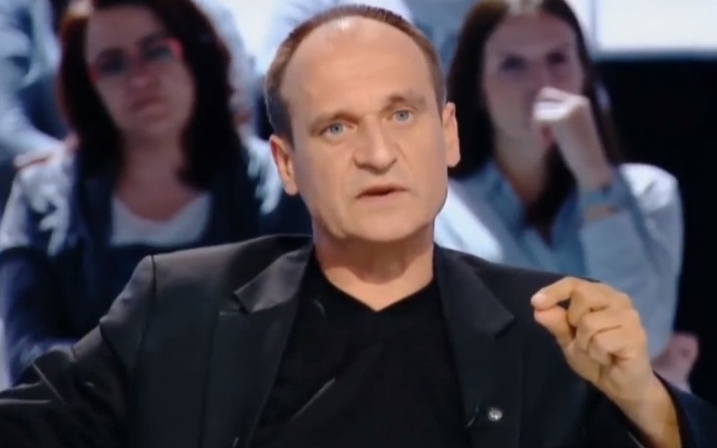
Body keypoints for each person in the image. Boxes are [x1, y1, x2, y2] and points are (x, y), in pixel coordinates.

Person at [0, 5, 715, 448]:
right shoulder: (181, 305)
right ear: (287, 163)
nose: (377, 154)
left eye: (401, 115)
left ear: (448, 135)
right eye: (336, 127)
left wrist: (650, 407)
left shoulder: (544, 327)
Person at [0, 0, 303, 385]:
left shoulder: (278, 189)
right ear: (87, 84)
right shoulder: (40, 202)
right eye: (112, 64)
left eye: (157, 51)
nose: (139, 79)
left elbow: (303, 344)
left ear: (195, 53)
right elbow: (27, 360)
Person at [434, 0, 685, 366]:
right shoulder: (439, 206)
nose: (542, 84)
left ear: (585, 73)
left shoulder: (649, 194)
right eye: (513, 64)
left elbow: (642, 340)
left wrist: (594, 181)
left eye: (558, 59)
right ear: (477, 87)